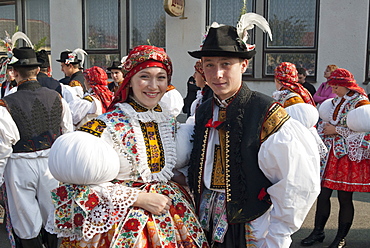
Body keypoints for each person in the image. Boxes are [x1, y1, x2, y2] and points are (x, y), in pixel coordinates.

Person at [45, 45, 209, 248]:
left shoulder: (169, 123)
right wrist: (138, 198)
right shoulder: (104, 125)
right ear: (130, 79)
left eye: (161, 77)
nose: (153, 85)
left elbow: (161, 168)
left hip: (173, 215)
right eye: (145, 76)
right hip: (120, 223)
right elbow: (74, 189)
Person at [187, 13, 321, 247]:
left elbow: (295, 181)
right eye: (209, 65)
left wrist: (280, 232)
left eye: (226, 64)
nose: (217, 74)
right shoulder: (203, 109)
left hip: (250, 224)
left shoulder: (265, 110)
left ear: (244, 65)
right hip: (202, 220)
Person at [0, 47, 73, 248]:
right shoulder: (58, 98)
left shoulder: (6, 104)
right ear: (37, 71)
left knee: (24, 219)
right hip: (51, 164)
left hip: (19, 166)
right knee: (53, 214)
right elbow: (68, 135)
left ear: (14, 72)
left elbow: (3, 146)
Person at [301, 68, 370, 248]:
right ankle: (318, 231)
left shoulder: (360, 102)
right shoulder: (337, 100)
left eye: (335, 87)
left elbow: (365, 129)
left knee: (344, 197)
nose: (332, 91)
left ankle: (340, 237)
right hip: (330, 153)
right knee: (323, 194)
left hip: (346, 156)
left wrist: (336, 130)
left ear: (346, 86)